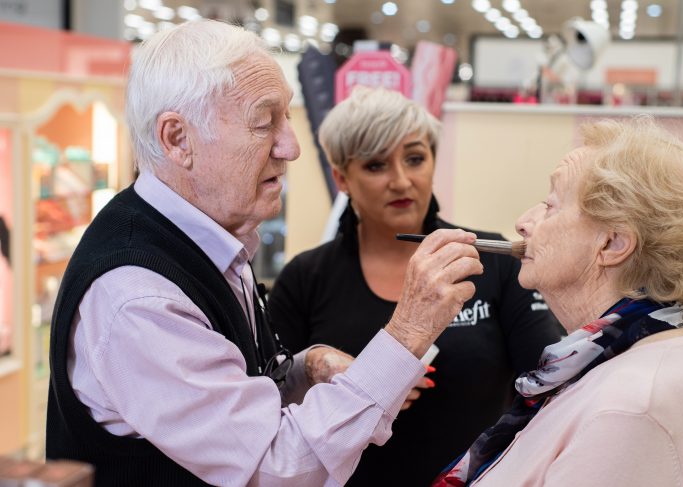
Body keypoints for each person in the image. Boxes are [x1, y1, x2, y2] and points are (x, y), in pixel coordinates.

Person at [45, 20, 484, 487]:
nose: (291, 147)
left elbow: (238, 393)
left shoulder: (209, 242)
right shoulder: (139, 299)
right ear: (178, 139)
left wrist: (305, 368)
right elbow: (277, 466)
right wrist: (409, 331)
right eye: (264, 123)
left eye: (287, 119)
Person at [267, 87, 562, 486]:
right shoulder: (306, 278)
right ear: (342, 178)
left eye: (415, 159)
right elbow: (272, 401)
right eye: (375, 165)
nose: (401, 180)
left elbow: (550, 383)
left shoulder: (489, 261)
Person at [433, 116, 683, 486]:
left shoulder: (629, 408)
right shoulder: (613, 359)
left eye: (551, 204)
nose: (524, 222)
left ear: (613, 244)